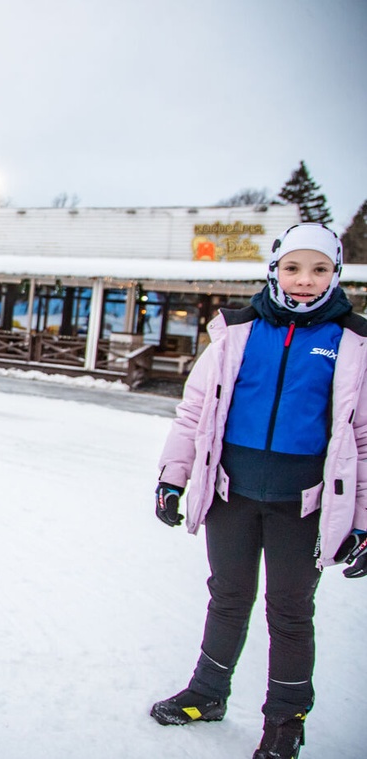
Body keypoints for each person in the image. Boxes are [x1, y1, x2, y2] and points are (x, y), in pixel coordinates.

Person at [150, 223, 367, 759]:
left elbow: (361, 439)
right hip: (232, 494)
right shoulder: (238, 330)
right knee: (227, 596)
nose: (304, 280)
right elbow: (195, 411)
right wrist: (172, 477)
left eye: (319, 269)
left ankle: (285, 722)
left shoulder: (353, 342)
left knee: (290, 612)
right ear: (274, 270)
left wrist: (361, 519)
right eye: (292, 268)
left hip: (305, 504)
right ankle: (207, 693)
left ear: (335, 274)